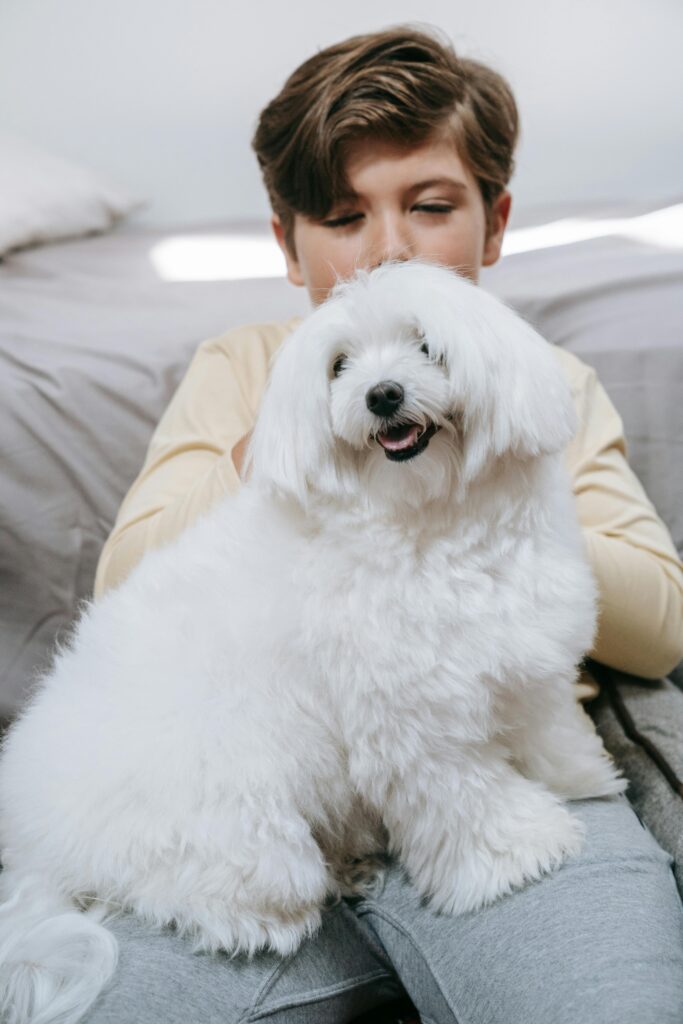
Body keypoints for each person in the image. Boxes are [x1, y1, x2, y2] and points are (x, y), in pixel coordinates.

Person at [90, 26, 683, 1024]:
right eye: (341, 217)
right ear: (287, 244)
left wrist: (507, 496)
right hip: (266, 807)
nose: (389, 248)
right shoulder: (241, 367)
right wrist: (273, 452)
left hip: (503, 776)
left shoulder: (550, 386)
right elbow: (127, 581)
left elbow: (658, 622)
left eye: (430, 207)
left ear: (492, 227)